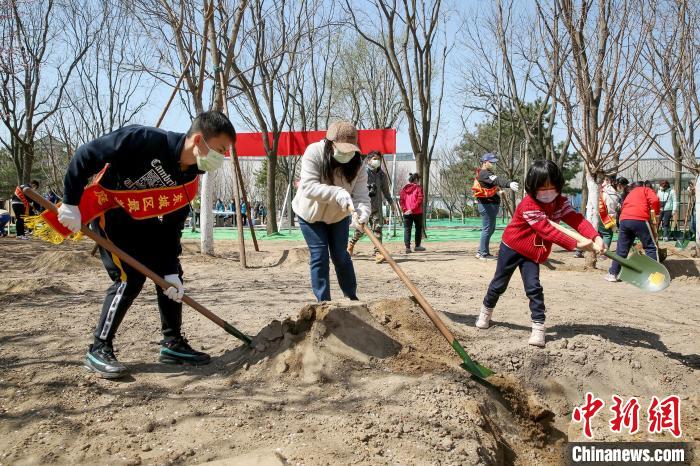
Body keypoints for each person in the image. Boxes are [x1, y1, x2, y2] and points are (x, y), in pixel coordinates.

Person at [54, 111, 234, 378]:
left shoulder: (189, 179)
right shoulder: (144, 140)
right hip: (112, 211)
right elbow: (87, 154)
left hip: (143, 218)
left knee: (170, 278)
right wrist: (70, 201)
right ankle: (99, 347)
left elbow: (172, 228)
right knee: (129, 278)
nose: (222, 157)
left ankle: (172, 344)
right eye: (220, 150)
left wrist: (171, 269)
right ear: (198, 141)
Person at [475, 160, 603, 347]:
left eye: (552, 187)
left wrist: (594, 236)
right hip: (511, 247)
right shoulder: (528, 204)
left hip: (532, 252)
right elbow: (546, 230)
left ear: (558, 186)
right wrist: (577, 244)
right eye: (542, 188)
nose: (548, 192)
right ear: (532, 187)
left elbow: (576, 219)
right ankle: (485, 312)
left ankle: (538, 329)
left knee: (534, 288)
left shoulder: (560, 202)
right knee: (499, 284)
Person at [292, 120, 370, 302]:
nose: (347, 153)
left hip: (338, 216)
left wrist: (363, 212)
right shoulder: (314, 152)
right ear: (330, 143)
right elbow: (308, 188)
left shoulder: (359, 164)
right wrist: (337, 193)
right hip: (310, 215)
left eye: (351, 149)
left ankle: (351, 298)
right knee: (319, 255)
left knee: (341, 256)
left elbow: (361, 196)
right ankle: (324, 304)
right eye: (342, 148)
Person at [605, 181, 661, 283]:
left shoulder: (629, 194)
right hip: (639, 219)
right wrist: (656, 214)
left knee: (621, 249)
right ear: (643, 185)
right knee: (650, 247)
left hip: (624, 220)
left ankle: (612, 274)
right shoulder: (645, 189)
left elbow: (623, 207)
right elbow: (655, 200)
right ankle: (654, 276)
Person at [472, 153, 519, 260]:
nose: (493, 164)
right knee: (487, 229)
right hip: (487, 205)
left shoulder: (486, 173)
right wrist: (508, 184)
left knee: (490, 229)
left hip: (489, 204)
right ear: (485, 162)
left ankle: (483, 251)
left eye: (494, 162)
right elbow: (497, 180)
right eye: (491, 162)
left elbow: (492, 184)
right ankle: (482, 253)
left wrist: (498, 191)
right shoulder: (484, 173)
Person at [347, 151, 393, 263]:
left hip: (376, 206)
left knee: (377, 229)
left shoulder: (382, 175)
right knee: (361, 229)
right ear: (368, 160)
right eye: (374, 158)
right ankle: (351, 244)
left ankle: (378, 252)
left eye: (379, 159)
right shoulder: (363, 172)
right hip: (363, 206)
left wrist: (391, 202)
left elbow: (386, 191)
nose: (377, 161)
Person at [400, 173, 425, 254]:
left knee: (407, 229)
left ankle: (407, 247)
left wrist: (405, 210)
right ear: (416, 180)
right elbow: (419, 200)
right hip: (417, 212)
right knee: (418, 229)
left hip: (407, 212)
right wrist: (412, 209)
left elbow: (401, 200)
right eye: (418, 180)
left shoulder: (404, 189)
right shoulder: (418, 188)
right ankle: (417, 246)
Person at [597, 175, 621, 257]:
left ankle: (579, 251)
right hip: (604, 215)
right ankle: (604, 254)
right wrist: (614, 224)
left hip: (595, 213)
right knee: (607, 234)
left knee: (596, 233)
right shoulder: (612, 194)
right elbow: (611, 209)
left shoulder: (601, 189)